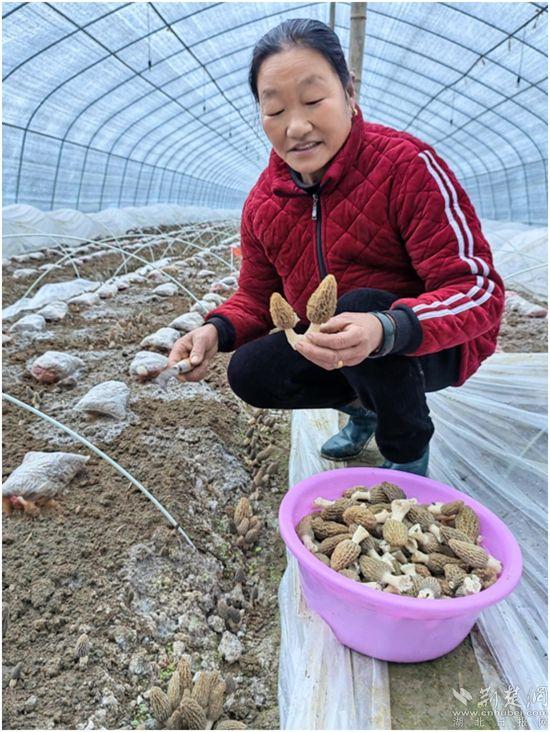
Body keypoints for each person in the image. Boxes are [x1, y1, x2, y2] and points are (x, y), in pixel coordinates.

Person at [168, 18, 505, 477]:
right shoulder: (263, 204)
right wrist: (215, 331)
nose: (297, 126)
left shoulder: (406, 166)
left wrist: (386, 326)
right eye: (275, 110)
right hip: (342, 345)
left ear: (348, 92)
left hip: (427, 343)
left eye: (312, 100)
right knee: (251, 371)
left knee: (361, 304)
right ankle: (363, 409)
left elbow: (478, 288)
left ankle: (406, 451)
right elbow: (256, 297)